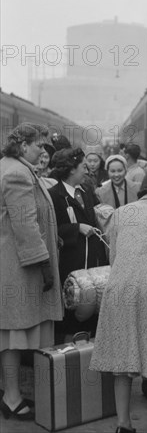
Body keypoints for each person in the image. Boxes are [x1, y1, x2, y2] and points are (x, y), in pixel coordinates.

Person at [90, 168, 147, 433]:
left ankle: (123, 425)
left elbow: (113, 254)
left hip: (118, 285)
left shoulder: (121, 212)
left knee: (122, 358)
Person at [0, 123, 63, 421]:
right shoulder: (16, 173)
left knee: (15, 331)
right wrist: (43, 263)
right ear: (23, 145)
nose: (44, 151)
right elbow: (25, 225)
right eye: (40, 145)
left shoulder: (15, 167)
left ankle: (12, 394)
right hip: (20, 268)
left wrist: (53, 237)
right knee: (14, 333)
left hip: (16, 263)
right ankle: (11, 398)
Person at [48, 148, 108, 338]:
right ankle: (69, 351)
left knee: (93, 303)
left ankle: (89, 350)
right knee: (74, 302)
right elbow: (50, 228)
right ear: (72, 169)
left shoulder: (87, 190)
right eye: (83, 166)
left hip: (92, 260)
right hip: (70, 262)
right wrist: (75, 228)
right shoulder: (53, 195)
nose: (87, 170)